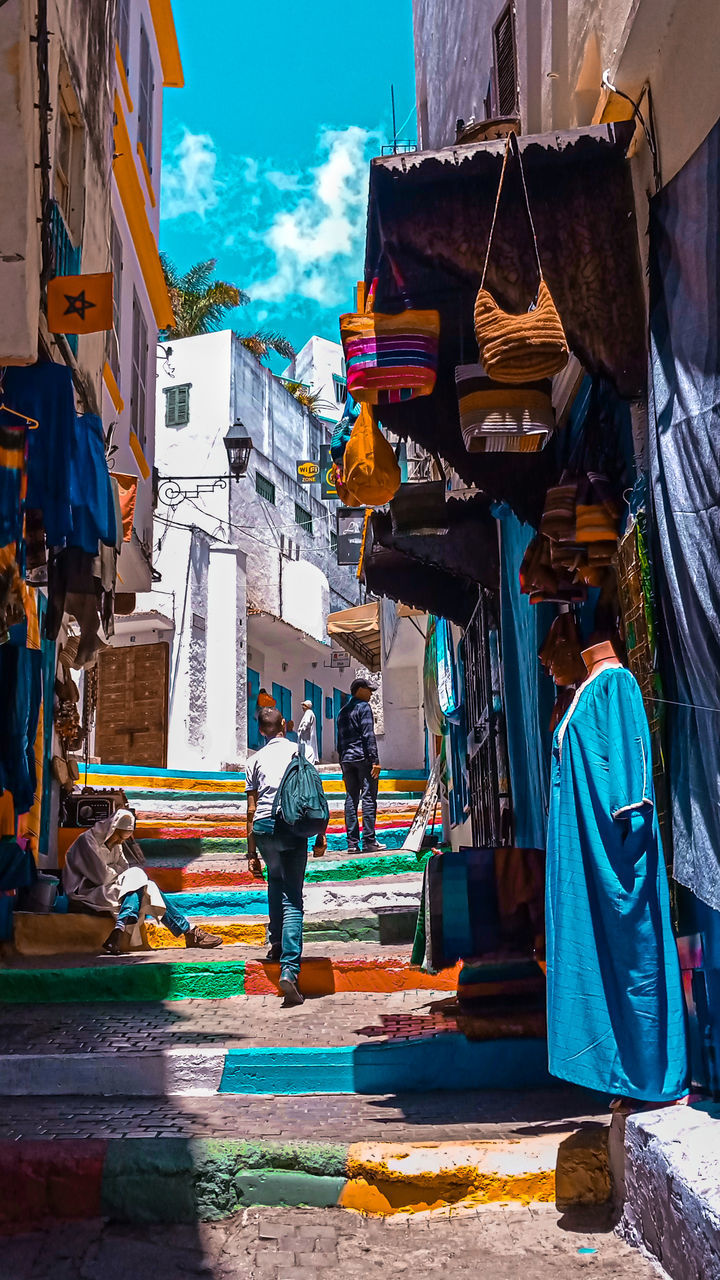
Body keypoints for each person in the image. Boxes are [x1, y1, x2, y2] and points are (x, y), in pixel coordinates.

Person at [63, 809, 222, 954]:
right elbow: (101, 877)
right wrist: (121, 873)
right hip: (88, 891)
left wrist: (120, 873)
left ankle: (120, 930)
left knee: (145, 885)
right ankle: (189, 932)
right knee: (140, 878)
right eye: (119, 837)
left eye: (123, 839)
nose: (120, 842)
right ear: (112, 828)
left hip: (111, 888)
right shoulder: (87, 841)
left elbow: (123, 866)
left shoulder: (115, 842)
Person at [246, 707, 309, 1006]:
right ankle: (290, 969)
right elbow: (312, 792)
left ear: (260, 731)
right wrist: (320, 834)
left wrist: (250, 853)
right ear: (285, 725)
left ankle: (275, 943)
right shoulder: (300, 750)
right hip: (293, 826)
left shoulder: (253, 760)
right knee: (292, 897)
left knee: (275, 880)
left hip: (263, 829)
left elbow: (250, 809)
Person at [336, 678, 386, 854]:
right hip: (362, 758)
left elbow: (339, 742)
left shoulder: (342, 712)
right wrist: (375, 761)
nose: (371, 693)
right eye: (369, 690)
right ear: (359, 689)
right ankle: (369, 841)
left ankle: (352, 843)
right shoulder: (363, 707)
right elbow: (368, 735)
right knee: (369, 797)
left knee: (351, 798)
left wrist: (342, 765)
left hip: (347, 760)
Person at [297, 699, 318, 764]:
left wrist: (302, 729)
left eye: (303, 705)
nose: (302, 707)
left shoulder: (308, 713)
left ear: (306, 706)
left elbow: (307, 722)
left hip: (306, 735)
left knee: (306, 748)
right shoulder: (310, 713)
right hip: (307, 735)